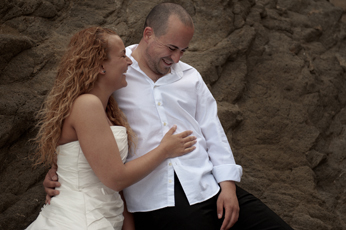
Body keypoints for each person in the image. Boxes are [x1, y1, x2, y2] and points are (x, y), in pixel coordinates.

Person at [44, 3, 294, 230]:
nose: (176, 58)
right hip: (155, 199)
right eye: (171, 48)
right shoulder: (116, 72)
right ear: (148, 34)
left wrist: (227, 185)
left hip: (206, 184)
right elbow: (79, 122)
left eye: (183, 51)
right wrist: (60, 171)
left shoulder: (190, 76)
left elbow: (212, 130)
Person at [26, 26, 196, 230]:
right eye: (122, 55)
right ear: (101, 66)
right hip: (79, 221)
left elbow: (106, 177)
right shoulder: (86, 105)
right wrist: (165, 150)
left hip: (105, 219)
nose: (129, 61)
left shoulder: (106, 109)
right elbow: (116, 178)